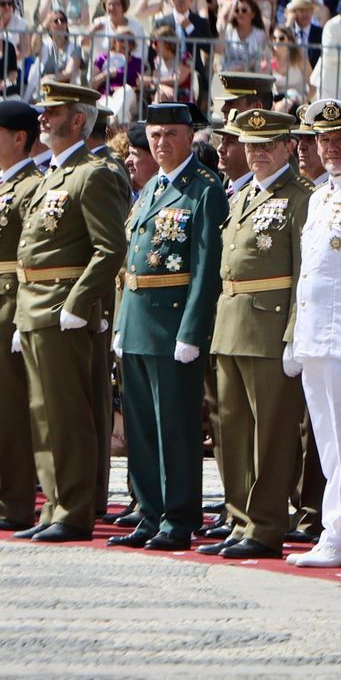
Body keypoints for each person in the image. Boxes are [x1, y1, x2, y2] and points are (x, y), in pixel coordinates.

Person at [191, 108, 313, 560]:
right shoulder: (241, 195)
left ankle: (265, 525)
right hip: (231, 324)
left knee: (272, 435)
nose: (257, 154)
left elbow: (304, 272)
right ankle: (239, 517)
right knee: (234, 432)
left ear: (287, 147)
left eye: (267, 145)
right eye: (251, 146)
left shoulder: (301, 197)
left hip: (269, 326)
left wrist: (294, 334)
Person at [106, 101, 222, 551]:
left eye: (170, 134)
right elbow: (131, 263)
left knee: (174, 424)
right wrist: (122, 323)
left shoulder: (204, 189)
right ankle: (149, 509)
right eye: (154, 136)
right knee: (141, 425)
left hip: (174, 323)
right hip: (138, 321)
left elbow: (205, 263)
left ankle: (178, 516)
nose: (161, 143)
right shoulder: (152, 186)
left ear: (189, 136)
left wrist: (192, 331)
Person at [0, 101, 43, 532]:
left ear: (19, 138)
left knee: (12, 409)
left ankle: (14, 501)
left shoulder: (32, 186)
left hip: (12, 302)